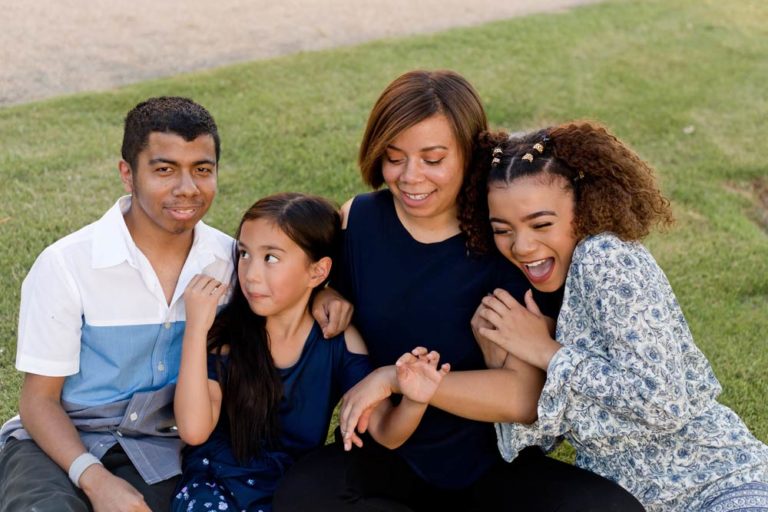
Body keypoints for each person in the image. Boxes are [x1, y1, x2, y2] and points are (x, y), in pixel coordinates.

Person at [273, 70, 643, 511]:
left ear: (469, 154)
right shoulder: (361, 219)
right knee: (302, 497)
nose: (411, 177)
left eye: (433, 159)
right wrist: (323, 294)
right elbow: (316, 279)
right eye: (394, 157)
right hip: (388, 453)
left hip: (493, 464)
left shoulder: (505, 241)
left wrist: (401, 380)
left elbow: (523, 398)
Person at [0, 98, 348, 512]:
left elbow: (287, 282)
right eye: (164, 169)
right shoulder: (67, 265)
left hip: (159, 453)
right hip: (56, 443)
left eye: (202, 169)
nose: (188, 188)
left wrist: (324, 292)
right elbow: (39, 403)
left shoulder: (232, 262)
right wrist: (95, 481)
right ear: (127, 174)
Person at [467, 121, 768, 511]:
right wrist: (502, 361)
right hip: (632, 500)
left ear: (584, 205)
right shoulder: (549, 282)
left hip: (716, 483)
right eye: (502, 229)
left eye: (541, 223)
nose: (522, 246)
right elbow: (548, 438)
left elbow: (664, 402)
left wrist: (548, 352)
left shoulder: (606, 259)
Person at [171, 193, 450, 512]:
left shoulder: (336, 341)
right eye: (244, 254)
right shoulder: (228, 333)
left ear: (318, 272)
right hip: (217, 486)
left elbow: (385, 432)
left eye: (271, 258)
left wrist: (415, 401)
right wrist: (196, 328)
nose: (249, 274)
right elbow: (194, 430)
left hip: (294, 489)